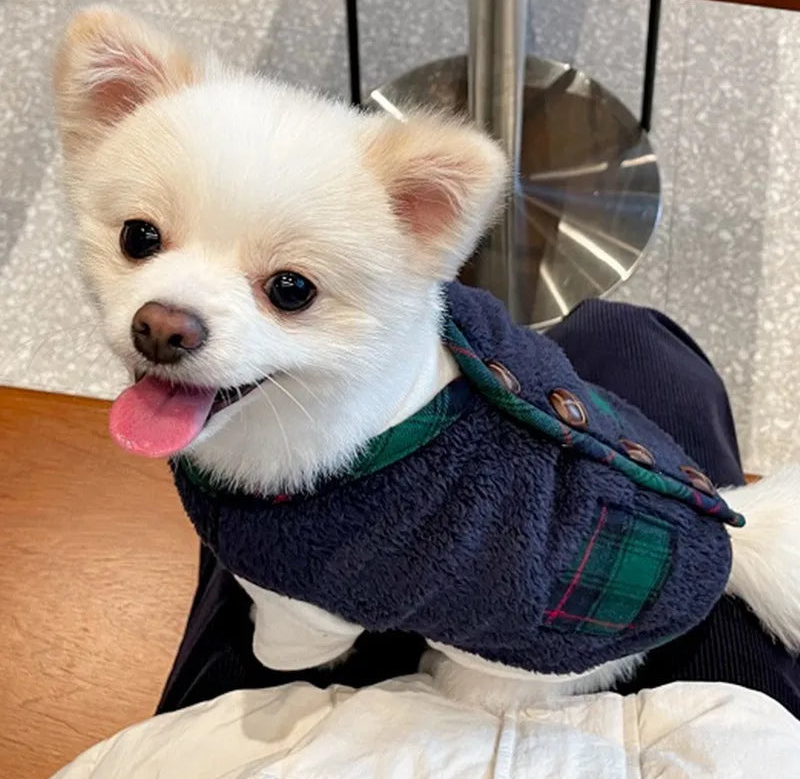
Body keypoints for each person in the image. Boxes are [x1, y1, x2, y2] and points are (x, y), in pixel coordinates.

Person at [157, 299, 800, 719]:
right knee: (625, 328)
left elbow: (304, 641)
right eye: (144, 240)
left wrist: (284, 645)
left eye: (289, 289)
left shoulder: (302, 524)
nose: (163, 319)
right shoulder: (442, 345)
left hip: (568, 632)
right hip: (654, 514)